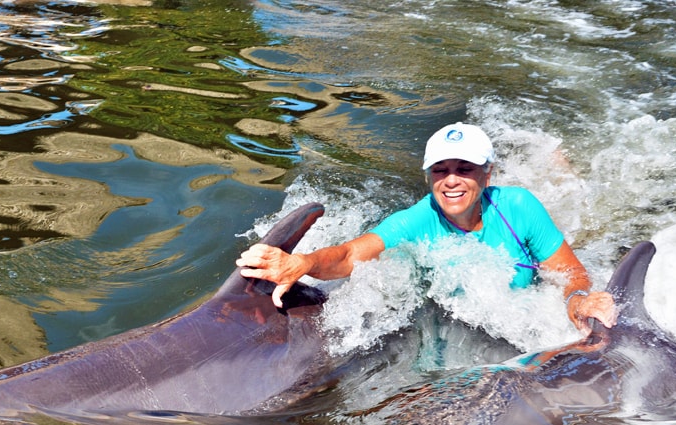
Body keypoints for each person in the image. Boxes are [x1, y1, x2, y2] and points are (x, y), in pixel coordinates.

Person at [237, 122, 617, 333]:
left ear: (488, 174)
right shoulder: (417, 221)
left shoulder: (518, 207)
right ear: (428, 177)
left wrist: (577, 301)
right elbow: (352, 254)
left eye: (464, 169)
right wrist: (302, 263)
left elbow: (570, 272)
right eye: (441, 170)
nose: (451, 180)